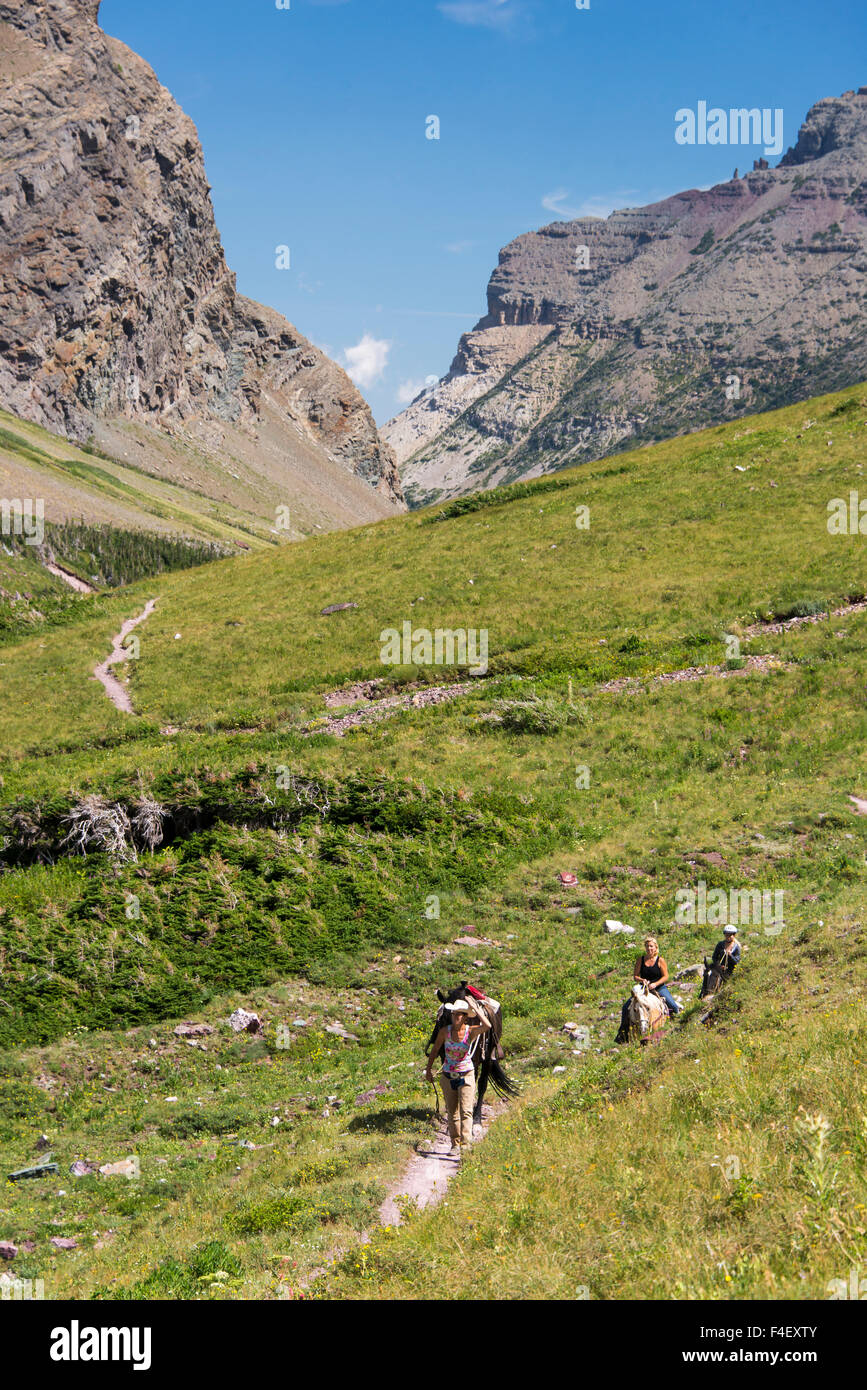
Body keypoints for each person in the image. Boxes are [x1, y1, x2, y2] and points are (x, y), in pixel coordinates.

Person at [425, 999, 491, 1156]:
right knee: (452, 1111)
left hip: (466, 1074)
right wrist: (429, 1070)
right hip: (448, 1076)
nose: (455, 1017)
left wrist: (475, 1008)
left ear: (465, 1017)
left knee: (466, 1110)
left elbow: (487, 1026)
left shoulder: (471, 1031)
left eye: (459, 1015)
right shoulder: (444, 1032)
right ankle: (455, 1144)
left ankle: (466, 1144)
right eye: (453, 1014)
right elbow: (435, 1051)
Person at [615, 935, 680, 1043]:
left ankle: (676, 1024)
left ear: (655, 948)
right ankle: (623, 1033)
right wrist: (642, 980)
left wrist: (655, 984)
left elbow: (665, 976)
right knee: (626, 1007)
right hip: (643, 988)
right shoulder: (640, 960)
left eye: (651, 946)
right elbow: (635, 976)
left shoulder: (660, 960)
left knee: (673, 1005)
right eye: (647, 946)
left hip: (658, 988)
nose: (649, 948)